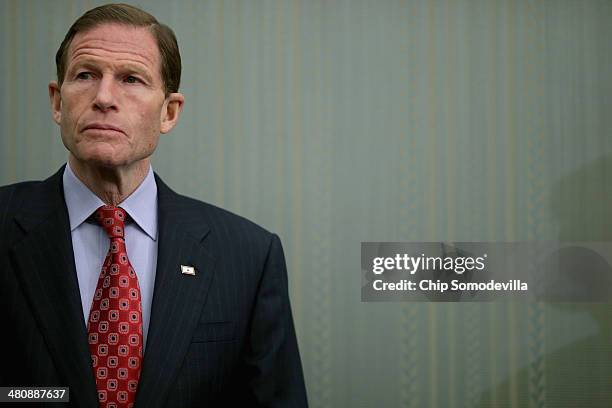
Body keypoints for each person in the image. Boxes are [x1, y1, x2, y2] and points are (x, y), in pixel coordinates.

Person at [0, 3, 308, 407]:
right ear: (58, 102)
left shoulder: (249, 256)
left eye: (131, 78)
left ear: (169, 112)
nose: (104, 97)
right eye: (86, 75)